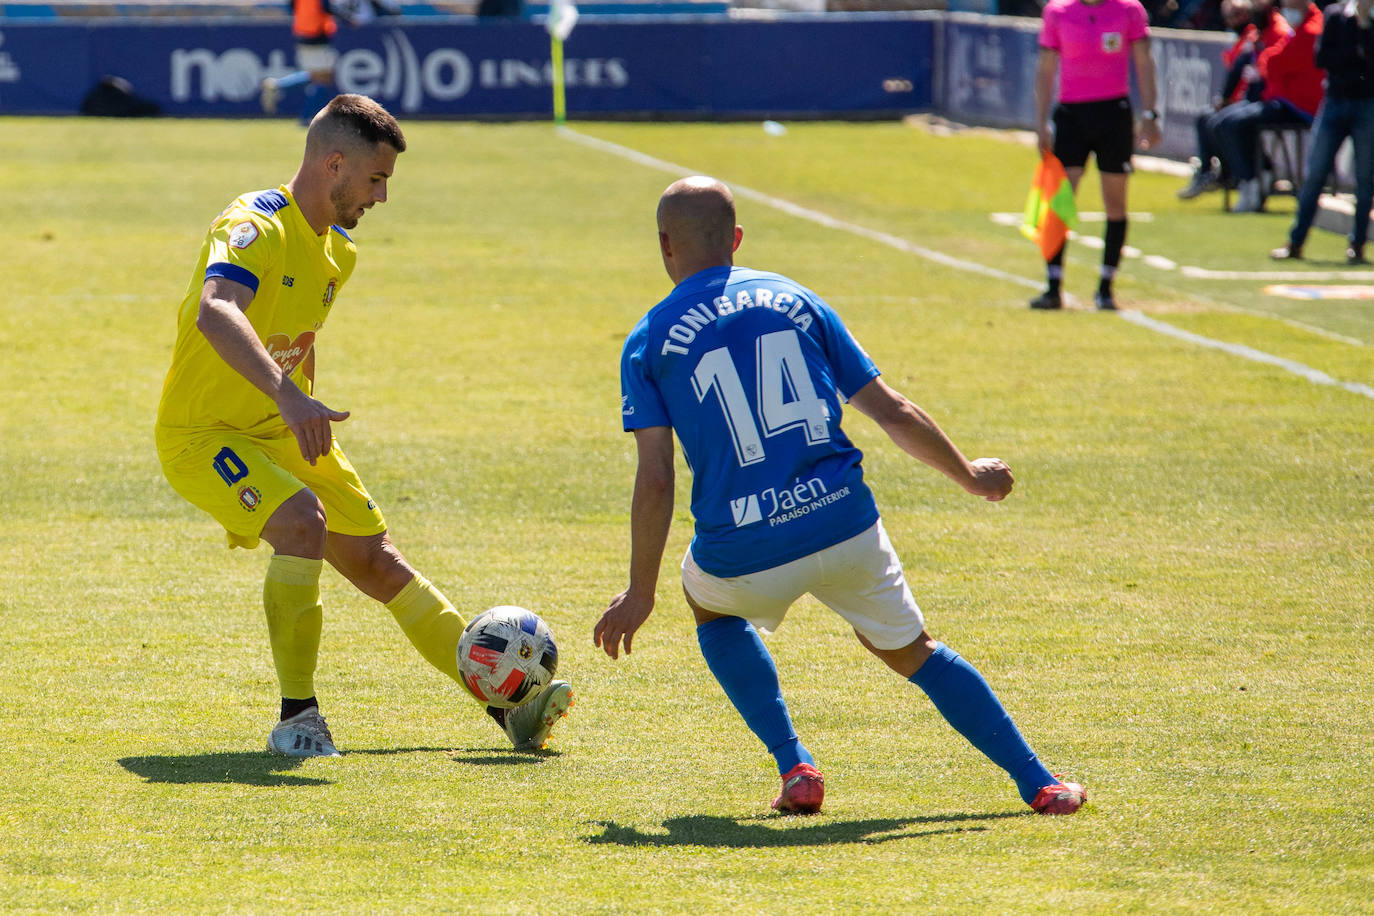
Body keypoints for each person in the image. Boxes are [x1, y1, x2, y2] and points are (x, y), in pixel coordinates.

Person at [594, 176, 1087, 817]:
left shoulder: (649, 338)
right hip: (843, 523)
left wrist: (640, 591)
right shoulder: (797, 299)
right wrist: (971, 475)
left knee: (710, 608)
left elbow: (657, 476)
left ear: (664, 245)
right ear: (737, 240)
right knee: (918, 655)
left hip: (742, 547)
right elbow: (893, 410)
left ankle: (794, 763)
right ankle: (1040, 783)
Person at [155, 94, 573, 758]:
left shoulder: (337, 253)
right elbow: (217, 312)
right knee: (303, 525)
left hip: (286, 428)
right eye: (376, 180)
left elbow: (298, 335)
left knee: (379, 563)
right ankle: (298, 719)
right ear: (334, 164)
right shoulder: (254, 226)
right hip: (203, 434)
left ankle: (504, 710)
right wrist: (290, 397)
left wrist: (302, 407)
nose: (381, 197)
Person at [1031, 0, 1161, 311]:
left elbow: (1144, 62)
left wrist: (1151, 113)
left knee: (1115, 203)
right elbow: (1046, 69)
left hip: (1114, 114)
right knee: (1060, 201)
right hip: (1071, 117)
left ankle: (1105, 286)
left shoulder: (1129, 11)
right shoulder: (1058, 12)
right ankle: (1053, 285)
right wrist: (1040, 124)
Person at [1271, 0, 1374, 263]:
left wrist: (1364, 28)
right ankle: (1295, 242)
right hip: (1335, 102)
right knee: (1315, 173)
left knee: (1364, 179)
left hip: (1367, 105)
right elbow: (1322, 58)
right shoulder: (1336, 15)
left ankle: (1357, 245)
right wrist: (1356, 53)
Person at [1212, 0, 1326, 211]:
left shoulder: (1311, 29)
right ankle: (1249, 177)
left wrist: (1267, 63)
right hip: (1283, 101)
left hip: (1300, 107)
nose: (1284, 8)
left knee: (1234, 123)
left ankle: (1257, 178)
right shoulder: (1298, 28)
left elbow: (1275, 61)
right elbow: (1271, 60)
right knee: (1221, 121)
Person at [1177, 0, 1272, 199]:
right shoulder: (1250, 38)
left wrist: (1227, 99)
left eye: (1238, 15)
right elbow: (1237, 71)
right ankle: (1214, 172)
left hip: (1267, 99)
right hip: (1244, 99)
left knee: (1224, 122)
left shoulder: (1261, 34)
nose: (1233, 21)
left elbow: (1262, 68)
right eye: (1229, 17)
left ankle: (1248, 175)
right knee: (1207, 118)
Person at [260, 0, 399, 125]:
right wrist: (349, 19)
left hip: (302, 32)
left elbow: (292, 6)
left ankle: (282, 91)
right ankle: (295, 105)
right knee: (323, 78)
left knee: (317, 76)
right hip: (316, 34)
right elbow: (327, 7)